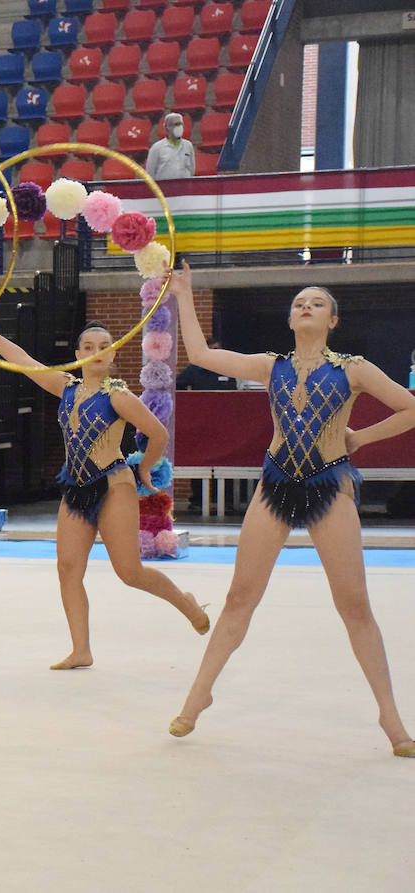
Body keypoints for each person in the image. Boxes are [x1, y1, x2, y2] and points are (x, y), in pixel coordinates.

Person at [167, 264, 415, 757]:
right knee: (240, 598)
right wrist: (183, 294)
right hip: (277, 482)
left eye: (317, 303)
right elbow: (200, 355)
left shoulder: (353, 368)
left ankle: (390, 716)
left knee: (355, 605)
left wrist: (360, 437)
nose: (305, 307)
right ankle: (198, 696)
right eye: (299, 302)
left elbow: (409, 406)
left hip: (329, 485)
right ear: (289, 318)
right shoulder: (269, 365)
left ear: (333, 321)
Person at [0, 310, 210, 669]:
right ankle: (81, 650)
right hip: (76, 488)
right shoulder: (65, 386)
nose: (95, 352)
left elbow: (158, 433)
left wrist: (144, 467)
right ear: (78, 354)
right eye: (88, 346)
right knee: (67, 567)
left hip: (114, 486)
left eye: (103, 347)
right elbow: (22, 360)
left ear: (113, 355)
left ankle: (186, 603)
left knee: (130, 573)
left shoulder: (118, 396)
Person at [145, 112, 196, 181]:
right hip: (164, 188)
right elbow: (150, 172)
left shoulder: (188, 145)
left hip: (184, 187)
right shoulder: (157, 147)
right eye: (176, 124)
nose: (179, 127)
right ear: (167, 127)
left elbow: (192, 169)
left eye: (181, 124)